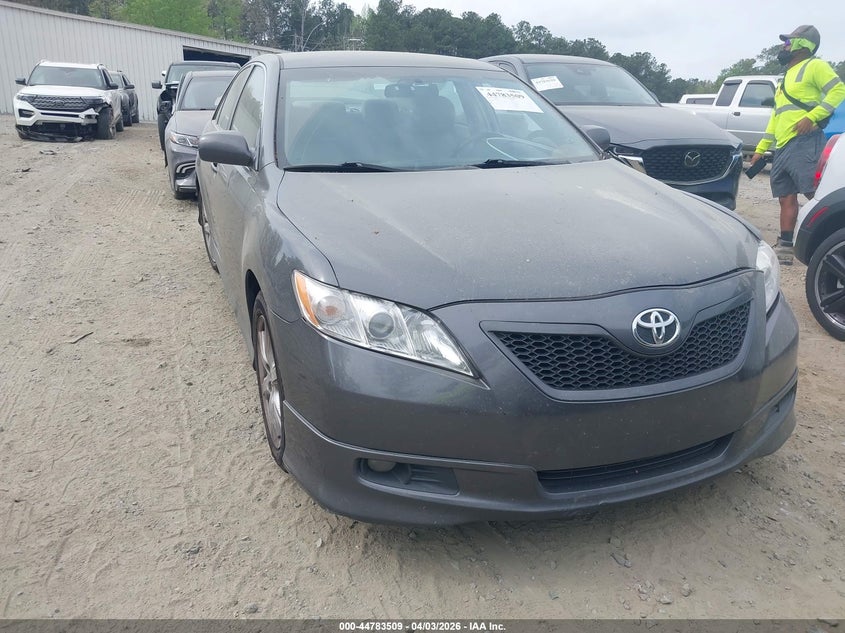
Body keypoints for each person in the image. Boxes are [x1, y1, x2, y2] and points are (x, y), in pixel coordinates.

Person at [749, 25, 845, 265]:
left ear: (803, 44)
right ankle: (785, 247)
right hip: (783, 145)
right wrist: (761, 148)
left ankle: (835, 242)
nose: (784, 46)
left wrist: (812, 117)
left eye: (788, 42)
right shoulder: (785, 78)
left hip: (804, 141)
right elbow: (776, 116)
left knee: (814, 193)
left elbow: (839, 90)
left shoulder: (815, 66)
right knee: (786, 196)